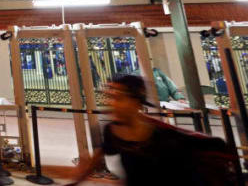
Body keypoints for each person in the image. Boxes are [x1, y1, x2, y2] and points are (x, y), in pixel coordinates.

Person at [68, 74, 236, 185]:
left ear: (136, 101)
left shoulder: (165, 137)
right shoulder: (112, 131)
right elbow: (90, 166)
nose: (111, 103)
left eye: (118, 98)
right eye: (109, 97)